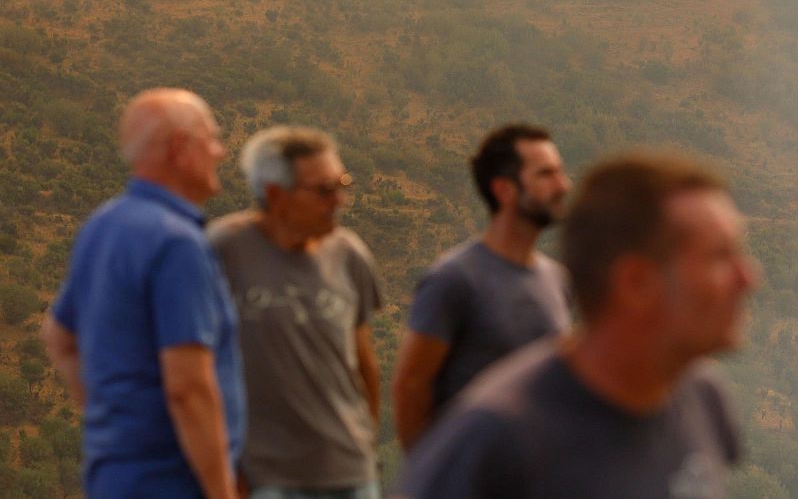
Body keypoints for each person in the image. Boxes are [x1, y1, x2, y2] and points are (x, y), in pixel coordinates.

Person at [395, 151, 758, 498]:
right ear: (636, 282)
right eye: (720, 256)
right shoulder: (496, 441)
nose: (749, 278)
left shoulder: (702, 399)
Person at [41, 88, 245, 499]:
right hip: (173, 482)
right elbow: (188, 389)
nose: (220, 152)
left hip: (114, 475)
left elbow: (59, 339)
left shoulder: (102, 225)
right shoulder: (178, 244)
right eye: (210, 138)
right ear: (180, 148)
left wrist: (116, 427)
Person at [208, 126, 382, 499]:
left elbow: (364, 364)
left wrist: (364, 445)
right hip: (264, 479)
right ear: (274, 194)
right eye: (324, 190)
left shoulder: (350, 255)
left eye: (342, 184)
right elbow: (196, 365)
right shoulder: (222, 251)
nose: (339, 200)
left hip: (351, 475)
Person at [392, 123, 574, 450]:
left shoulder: (557, 280)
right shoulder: (454, 279)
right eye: (546, 175)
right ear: (504, 189)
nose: (563, 185)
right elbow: (411, 387)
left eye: (560, 172)